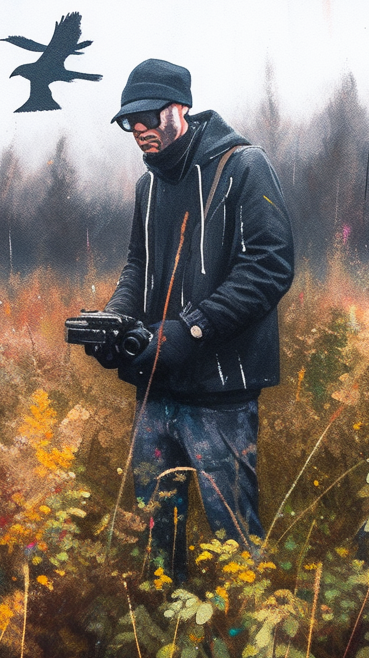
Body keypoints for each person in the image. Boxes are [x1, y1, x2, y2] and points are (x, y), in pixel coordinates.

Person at [87, 58, 295, 583]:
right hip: (156, 389)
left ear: (181, 107)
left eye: (149, 117)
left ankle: (250, 638)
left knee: (235, 544)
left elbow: (269, 266)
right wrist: (113, 323)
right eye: (128, 122)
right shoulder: (148, 186)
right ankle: (167, 646)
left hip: (221, 396)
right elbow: (139, 266)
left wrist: (188, 330)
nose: (139, 130)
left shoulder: (243, 166)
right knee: (157, 541)